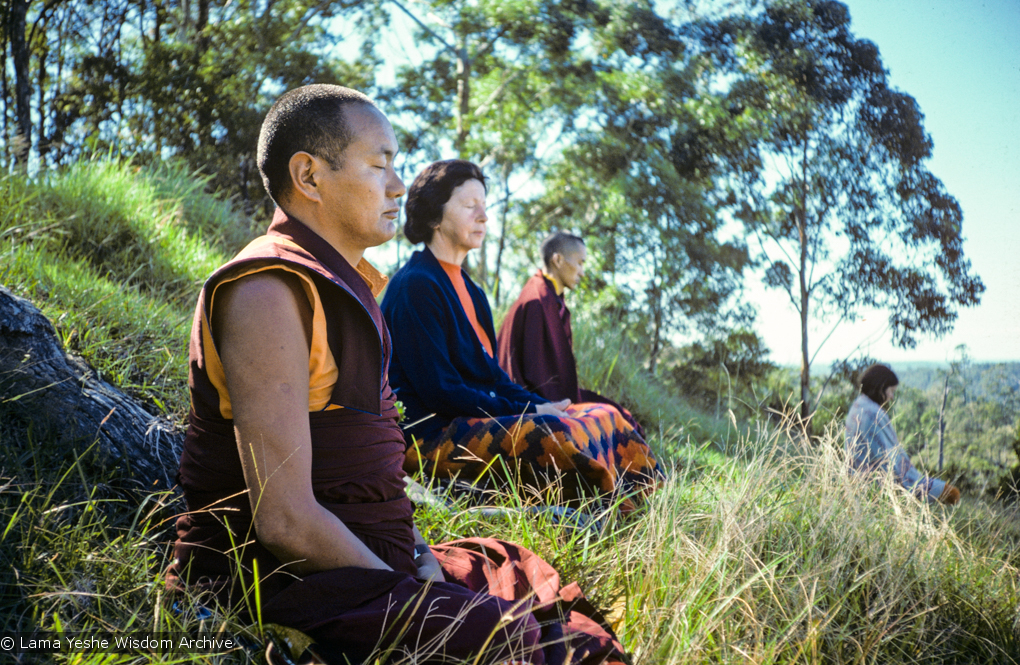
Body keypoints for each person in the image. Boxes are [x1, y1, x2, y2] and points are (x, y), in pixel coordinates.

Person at [168, 85, 627, 665]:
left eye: (397, 166)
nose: (397, 185)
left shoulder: (347, 284)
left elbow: (375, 468)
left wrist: (418, 554)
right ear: (309, 176)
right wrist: (410, 586)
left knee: (542, 604)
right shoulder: (267, 291)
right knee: (501, 636)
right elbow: (283, 519)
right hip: (283, 580)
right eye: (379, 165)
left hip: (376, 555)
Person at [381, 160, 663, 511]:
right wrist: (530, 411)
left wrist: (539, 405)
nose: (484, 216)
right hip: (429, 436)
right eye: (470, 206)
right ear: (434, 215)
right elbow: (441, 392)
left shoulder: (472, 290)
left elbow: (493, 377)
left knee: (603, 415)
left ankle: (639, 508)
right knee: (554, 433)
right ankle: (598, 508)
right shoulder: (416, 285)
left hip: (467, 420)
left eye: (485, 206)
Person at [496, 232, 645, 437]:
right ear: (557, 260)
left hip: (551, 394)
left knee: (621, 414)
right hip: (527, 399)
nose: (582, 273)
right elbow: (536, 375)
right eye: (580, 263)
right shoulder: (537, 301)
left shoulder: (552, 298)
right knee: (612, 418)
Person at [845, 363, 960, 505]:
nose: (891, 397)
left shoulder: (858, 404)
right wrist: (934, 488)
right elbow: (895, 464)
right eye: (891, 391)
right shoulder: (874, 414)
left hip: (855, 486)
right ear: (881, 388)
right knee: (953, 494)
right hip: (873, 491)